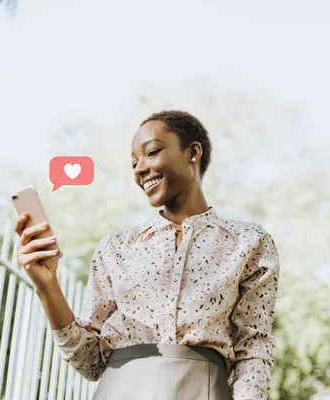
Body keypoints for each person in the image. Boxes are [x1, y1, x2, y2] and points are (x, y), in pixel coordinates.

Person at [15, 110, 280, 399]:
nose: (139, 168)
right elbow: (90, 362)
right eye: (133, 163)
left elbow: (254, 349)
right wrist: (47, 286)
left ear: (193, 152)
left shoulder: (249, 243)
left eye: (151, 152)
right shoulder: (115, 248)